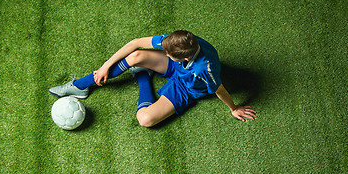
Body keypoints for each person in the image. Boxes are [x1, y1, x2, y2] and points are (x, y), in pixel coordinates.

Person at [49, 30, 257, 127]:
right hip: (179, 67)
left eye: (168, 54)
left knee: (145, 119)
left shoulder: (204, 69)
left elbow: (219, 89)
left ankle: (143, 77)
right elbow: (136, 42)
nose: (165, 54)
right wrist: (105, 66)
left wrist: (234, 108)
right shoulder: (181, 41)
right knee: (136, 56)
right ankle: (80, 86)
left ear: (185, 57)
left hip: (187, 87)